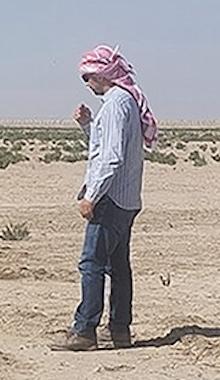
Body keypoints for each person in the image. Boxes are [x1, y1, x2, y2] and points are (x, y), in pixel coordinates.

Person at [52, 45, 158, 351]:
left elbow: (110, 158)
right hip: (127, 198)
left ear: (102, 74)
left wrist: (92, 196)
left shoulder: (116, 104)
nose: (86, 83)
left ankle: (85, 330)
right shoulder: (125, 102)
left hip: (110, 198)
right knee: (118, 265)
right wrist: (87, 125)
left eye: (88, 77)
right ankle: (119, 329)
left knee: (92, 263)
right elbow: (104, 146)